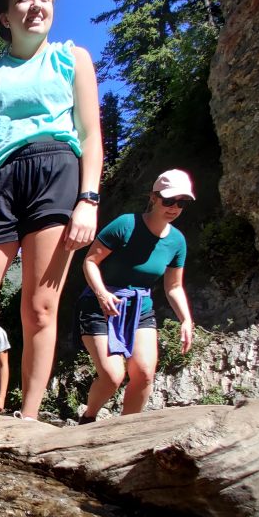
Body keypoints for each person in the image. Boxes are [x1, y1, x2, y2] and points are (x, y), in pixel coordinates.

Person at [0, 0, 103, 421]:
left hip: (56, 175)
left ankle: (29, 419)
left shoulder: (72, 59)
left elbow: (91, 134)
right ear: (5, 14)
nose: (36, 5)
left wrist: (88, 200)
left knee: (39, 308)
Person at [76, 169, 196, 421]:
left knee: (144, 373)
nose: (174, 207)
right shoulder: (125, 225)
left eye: (181, 203)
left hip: (140, 308)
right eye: (169, 200)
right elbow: (90, 261)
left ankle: (127, 428)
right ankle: (88, 418)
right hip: (100, 305)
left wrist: (186, 319)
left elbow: (173, 286)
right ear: (153, 197)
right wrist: (101, 294)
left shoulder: (177, 241)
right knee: (112, 376)